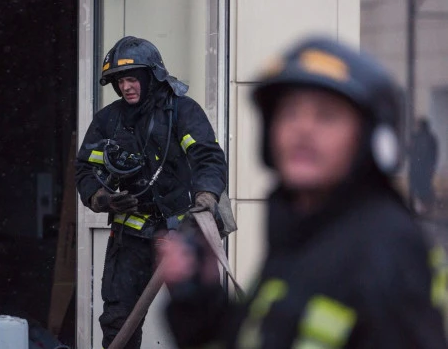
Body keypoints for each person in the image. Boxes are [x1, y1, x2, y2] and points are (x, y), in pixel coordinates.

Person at [161, 36, 448, 348]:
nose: (302, 128)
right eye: (290, 113)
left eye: (326, 116)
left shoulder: (386, 249)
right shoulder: (302, 229)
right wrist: (198, 303)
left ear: (370, 140)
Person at [75, 36, 228, 349]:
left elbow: (207, 158)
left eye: (132, 79)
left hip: (181, 234)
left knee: (199, 322)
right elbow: (85, 170)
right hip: (130, 239)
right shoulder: (109, 120)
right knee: (119, 322)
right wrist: (102, 198)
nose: (126, 87)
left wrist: (205, 199)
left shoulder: (182, 112)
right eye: (120, 82)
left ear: (152, 77)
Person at [409, 118, 438, 215]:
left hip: (420, 167)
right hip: (422, 168)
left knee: (421, 187)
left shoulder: (420, 138)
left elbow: (411, 151)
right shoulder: (428, 138)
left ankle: (422, 207)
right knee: (423, 187)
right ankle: (422, 207)